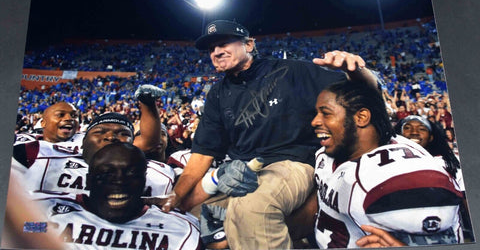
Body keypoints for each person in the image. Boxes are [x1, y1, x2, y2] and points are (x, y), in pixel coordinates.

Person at [162, 19, 380, 249]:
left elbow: (366, 91)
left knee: (252, 208)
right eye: (211, 49)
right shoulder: (217, 93)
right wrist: (174, 198)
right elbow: (202, 154)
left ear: (248, 44)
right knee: (191, 216)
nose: (216, 52)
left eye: (223, 43)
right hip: (240, 172)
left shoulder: (293, 71)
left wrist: (357, 70)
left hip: (291, 163)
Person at [308, 80, 463, 248]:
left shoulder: (398, 172)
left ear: (361, 117)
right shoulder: (326, 154)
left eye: (326, 113)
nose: (314, 121)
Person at [11, 85, 175, 197]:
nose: (110, 137)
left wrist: (147, 103)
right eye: (101, 131)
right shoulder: (33, 150)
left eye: (121, 133)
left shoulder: (156, 172)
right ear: (83, 140)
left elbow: (149, 140)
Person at [32, 142, 202, 250]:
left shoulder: (180, 230)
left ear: (144, 181)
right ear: (88, 181)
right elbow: (23, 229)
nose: (120, 181)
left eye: (131, 173)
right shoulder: (47, 214)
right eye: (107, 173)